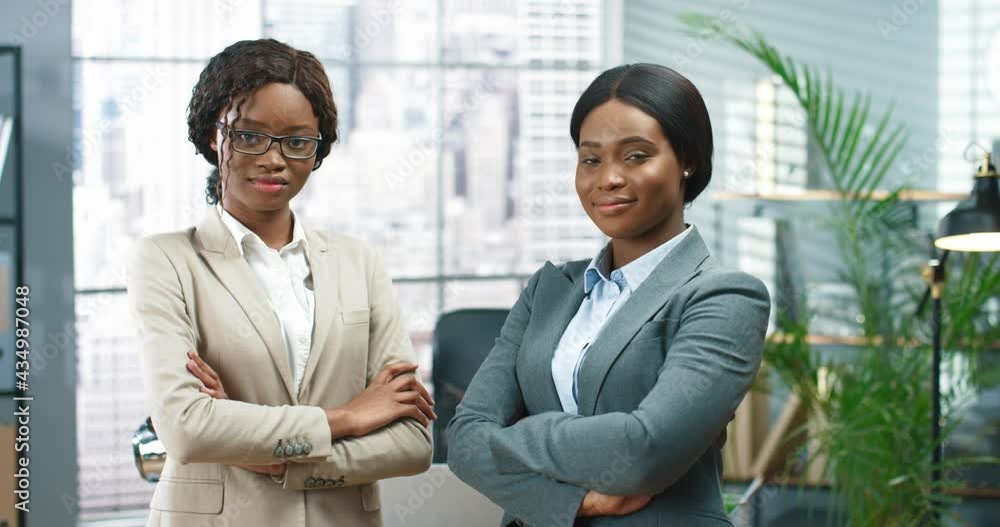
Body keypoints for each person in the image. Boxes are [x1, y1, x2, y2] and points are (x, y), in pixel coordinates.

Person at [126, 39, 435, 527]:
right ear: (214, 134)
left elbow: (411, 443)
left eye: (296, 141)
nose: (274, 159)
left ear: (318, 148)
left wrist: (270, 457)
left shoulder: (361, 262)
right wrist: (349, 417)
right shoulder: (166, 260)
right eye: (249, 135)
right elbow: (187, 430)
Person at [447, 63, 771, 527]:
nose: (609, 178)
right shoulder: (549, 289)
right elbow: (463, 441)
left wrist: (520, 433)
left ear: (688, 159)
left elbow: (644, 450)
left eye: (636, 156)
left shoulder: (724, 298)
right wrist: (581, 503)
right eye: (591, 159)